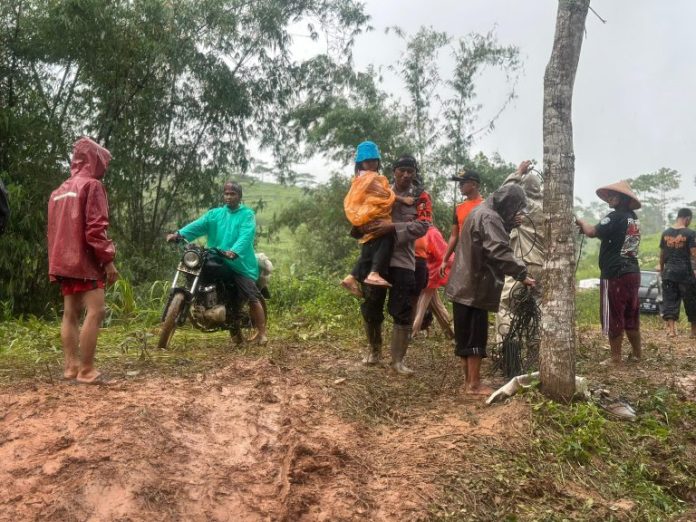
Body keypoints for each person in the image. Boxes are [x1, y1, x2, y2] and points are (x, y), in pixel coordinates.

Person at [445, 184, 536, 396]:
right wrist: (522, 274)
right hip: (475, 287)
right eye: (515, 209)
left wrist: (508, 225)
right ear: (509, 205)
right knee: (476, 337)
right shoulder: (491, 217)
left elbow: (487, 240)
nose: (516, 213)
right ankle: (474, 384)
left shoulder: (479, 211)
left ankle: (468, 382)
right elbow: (498, 250)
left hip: (461, 285)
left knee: (464, 336)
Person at [47, 137, 119, 384]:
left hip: (62, 260)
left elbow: (54, 230)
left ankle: (71, 367)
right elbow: (95, 229)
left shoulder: (58, 191)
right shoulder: (93, 186)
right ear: (95, 159)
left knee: (69, 313)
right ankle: (87, 370)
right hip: (85, 260)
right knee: (96, 310)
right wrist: (108, 260)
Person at [166, 181, 267, 345]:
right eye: (226, 193)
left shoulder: (247, 215)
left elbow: (246, 235)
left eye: (232, 194)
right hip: (216, 257)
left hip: (239, 263)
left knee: (251, 295)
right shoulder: (215, 214)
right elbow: (198, 225)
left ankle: (262, 334)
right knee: (197, 269)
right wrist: (178, 234)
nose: (228, 197)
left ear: (239, 196)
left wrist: (233, 251)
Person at [355, 155, 429, 374]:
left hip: (403, 260)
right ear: (394, 171)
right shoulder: (379, 187)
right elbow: (361, 211)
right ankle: (374, 351)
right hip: (376, 259)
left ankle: (397, 361)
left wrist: (391, 228)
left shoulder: (421, 197)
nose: (406, 175)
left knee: (402, 310)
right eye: (401, 170)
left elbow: (423, 226)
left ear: (415, 173)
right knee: (371, 306)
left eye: (410, 171)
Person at [576, 180, 642, 364]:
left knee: (613, 314)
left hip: (615, 273)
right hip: (632, 272)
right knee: (631, 313)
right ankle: (637, 354)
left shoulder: (614, 217)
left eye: (613, 196)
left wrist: (580, 220)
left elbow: (591, 231)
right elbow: (611, 235)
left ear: (622, 199)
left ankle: (615, 358)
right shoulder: (632, 218)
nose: (609, 199)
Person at [341, 141, 415, 297]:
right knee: (387, 237)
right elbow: (387, 195)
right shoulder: (371, 178)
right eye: (368, 161)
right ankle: (374, 273)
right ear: (361, 163)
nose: (372, 164)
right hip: (373, 215)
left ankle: (351, 276)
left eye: (374, 161)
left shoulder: (358, 179)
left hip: (366, 218)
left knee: (369, 248)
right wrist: (404, 200)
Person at [495, 160, 546, 341]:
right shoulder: (549, 207)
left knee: (507, 306)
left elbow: (502, 194)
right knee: (538, 308)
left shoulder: (521, 205)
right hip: (541, 265)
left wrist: (518, 172)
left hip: (521, 264)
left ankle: (509, 353)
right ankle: (538, 352)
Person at [658, 208, 696, 338]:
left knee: (669, 300)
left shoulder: (665, 233)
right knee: (691, 301)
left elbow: (662, 255)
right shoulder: (691, 233)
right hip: (685, 273)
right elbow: (694, 254)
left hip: (669, 272)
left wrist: (662, 270)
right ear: (687, 218)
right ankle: (693, 332)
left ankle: (672, 331)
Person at [439, 169, 484, 277]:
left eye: (462, 183)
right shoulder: (459, 208)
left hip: (482, 254)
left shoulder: (486, 205)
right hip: (463, 254)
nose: (459, 186)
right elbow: (454, 236)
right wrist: (445, 260)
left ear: (473, 184)